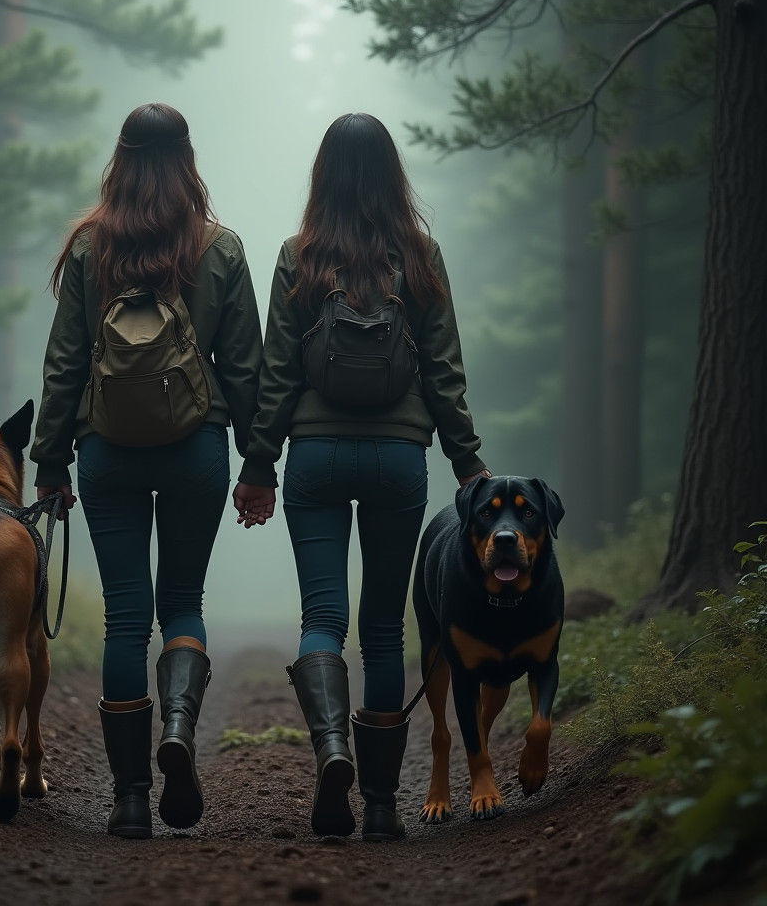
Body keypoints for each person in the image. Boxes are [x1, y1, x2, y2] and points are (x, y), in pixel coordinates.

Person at [234, 112, 489, 841]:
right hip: (398, 458)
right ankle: (380, 806)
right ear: (391, 176)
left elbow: (278, 371)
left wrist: (259, 466)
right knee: (383, 629)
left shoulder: (300, 256)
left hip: (312, 456)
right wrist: (466, 460)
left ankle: (333, 751)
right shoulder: (420, 255)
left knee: (323, 618)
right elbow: (444, 372)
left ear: (324, 176)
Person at [31, 103, 267, 839]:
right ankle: (177, 730)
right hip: (198, 444)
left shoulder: (88, 247)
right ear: (187, 159)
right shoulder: (219, 248)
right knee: (183, 603)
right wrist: (259, 461)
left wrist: (49, 460)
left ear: (121, 159)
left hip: (106, 451)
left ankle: (130, 798)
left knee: (125, 620)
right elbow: (248, 368)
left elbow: (67, 362)